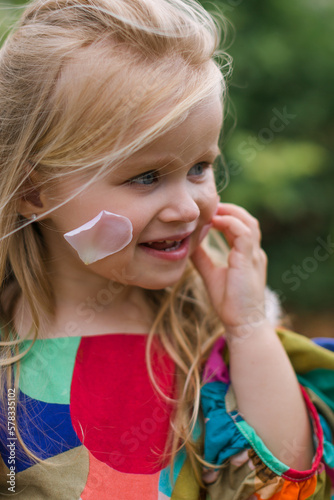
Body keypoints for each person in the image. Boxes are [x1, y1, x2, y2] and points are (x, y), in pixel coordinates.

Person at [0, 0, 333, 498]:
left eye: (200, 167)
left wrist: (247, 328)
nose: (187, 207)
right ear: (34, 193)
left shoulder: (210, 332)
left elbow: (290, 485)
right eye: (146, 176)